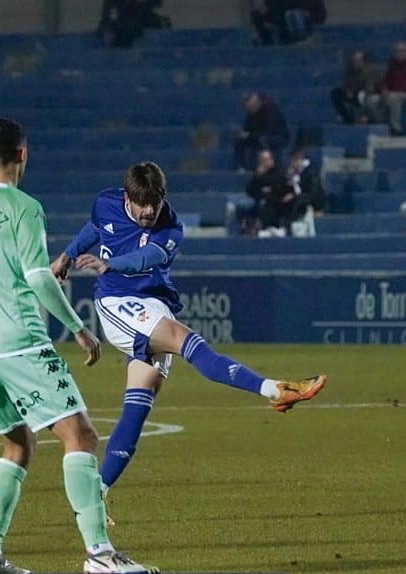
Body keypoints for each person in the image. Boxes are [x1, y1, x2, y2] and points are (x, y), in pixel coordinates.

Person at [0, 119, 156, 574]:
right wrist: (78, 327)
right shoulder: (23, 208)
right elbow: (38, 278)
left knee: (17, 447)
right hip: (21, 343)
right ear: (23, 155)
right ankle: (100, 555)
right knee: (81, 436)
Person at [50, 161, 326, 520]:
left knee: (137, 408)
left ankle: (94, 497)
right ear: (128, 198)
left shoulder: (171, 228)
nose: (150, 210)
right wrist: (68, 255)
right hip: (116, 302)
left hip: (153, 303)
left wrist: (111, 263)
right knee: (185, 339)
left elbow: (147, 257)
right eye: (142, 203)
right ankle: (273, 389)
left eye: (156, 201)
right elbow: (94, 227)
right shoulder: (106, 202)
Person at [366, 41, 406, 136]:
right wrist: (384, 90)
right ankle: (383, 124)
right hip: (392, 93)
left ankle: (396, 128)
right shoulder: (393, 64)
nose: (400, 53)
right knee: (372, 100)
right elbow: (385, 81)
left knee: (393, 98)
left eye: (403, 51)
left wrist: (395, 91)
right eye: (397, 51)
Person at [233, 92, 290, 172]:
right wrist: (243, 134)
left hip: (277, 137)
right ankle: (241, 167)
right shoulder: (251, 114)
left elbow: (268, 131)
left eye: (251, 107)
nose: (249, 110)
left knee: (262, 140)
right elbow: (248, 128)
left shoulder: (270, 110)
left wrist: (249, 135)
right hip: (257, 136)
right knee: (239, 141)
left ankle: (268, 166)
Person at [330, 50, 374, 125]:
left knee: (364, 96)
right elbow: (344, 84)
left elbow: (369, 88)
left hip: (364, 94)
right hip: (352, 94)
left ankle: (366, 117)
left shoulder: (369, 72)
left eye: (359, 60)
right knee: (335, 93)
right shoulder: (349, 71)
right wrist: (347, 90)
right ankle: (347, 119)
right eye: (355, 60)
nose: (357, 63)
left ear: (363, 61)